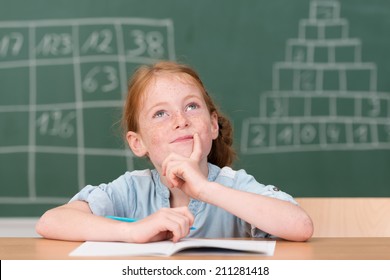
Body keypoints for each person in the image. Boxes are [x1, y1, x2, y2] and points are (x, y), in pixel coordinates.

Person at [36, 61, 313, 243]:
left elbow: (300, 226)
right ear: (137, 142)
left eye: (191, 106)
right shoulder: (132, 189)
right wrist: (132, 232)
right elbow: (51, 222)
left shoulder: (232, 186)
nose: (180, 120)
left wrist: (205, 189)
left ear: (213, 125)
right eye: (160, 113)